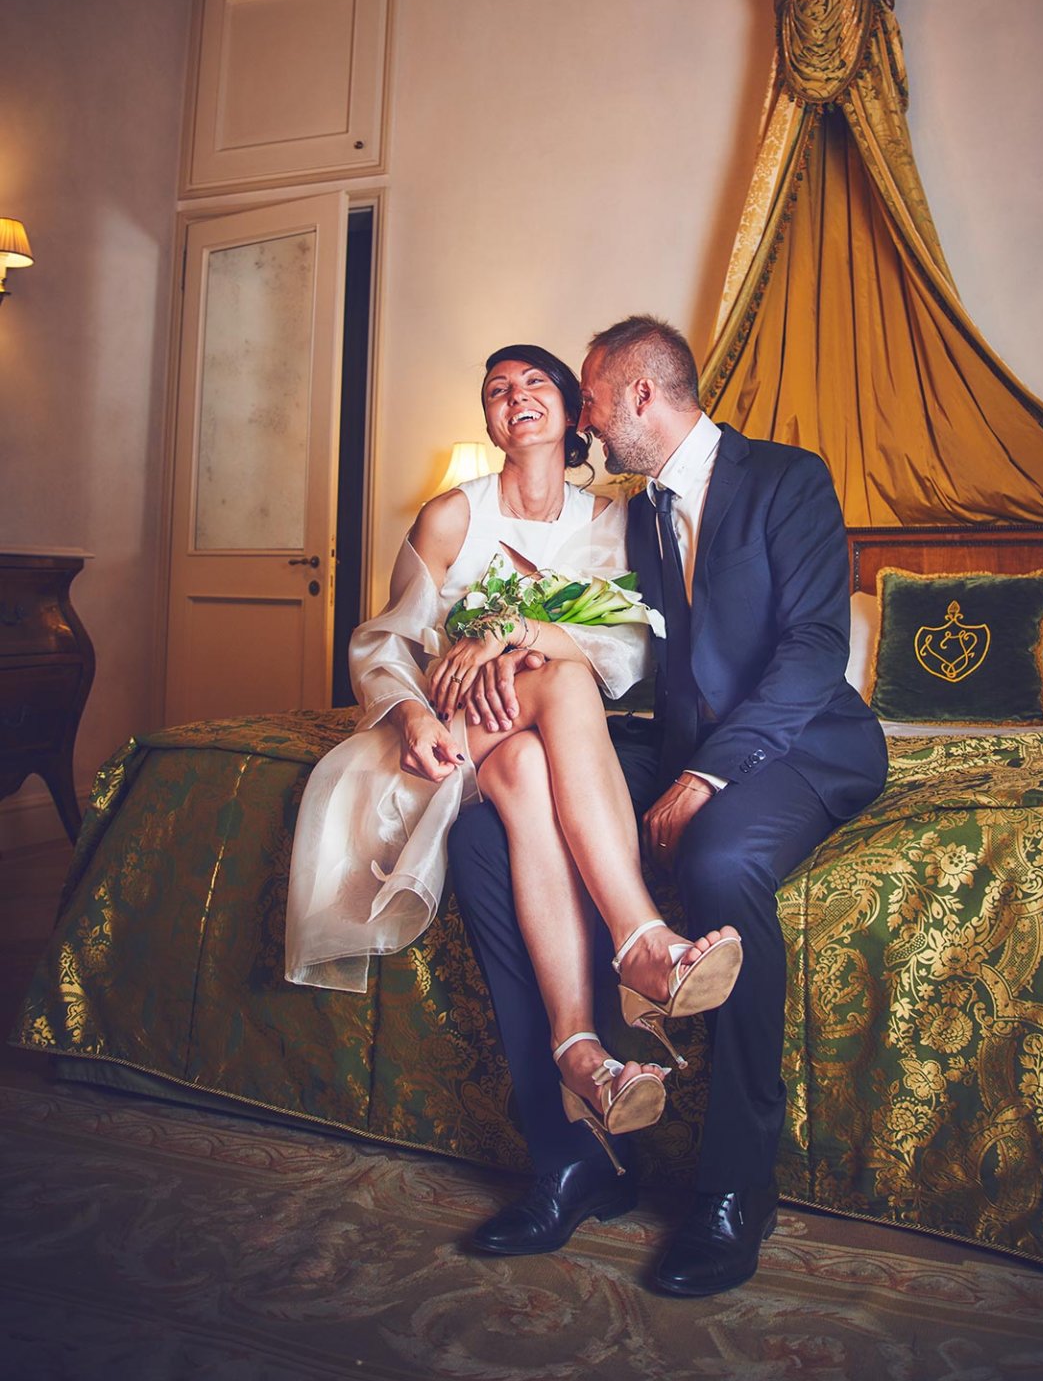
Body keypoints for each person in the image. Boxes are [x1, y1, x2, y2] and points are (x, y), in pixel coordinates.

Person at [450, 317, 888, 1295]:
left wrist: (708, 775)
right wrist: (499, 635)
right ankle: (576, 1152)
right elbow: (597, 619)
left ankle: (736, 1187)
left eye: (592, 402)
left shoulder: (788, 479)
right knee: (483, 831)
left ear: (641, 396)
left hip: (803, 741)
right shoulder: (635, 512)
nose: (585, 423)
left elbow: (816, 649)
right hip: (678, 738)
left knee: (717, 860)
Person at [286, 342, 742, 1170]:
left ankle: (580, 1052)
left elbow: (630, 648)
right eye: (497, 388)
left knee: (530, 763)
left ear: (574, 413)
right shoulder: (451, 515)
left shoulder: (613, 521)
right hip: (450, 724)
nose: (514, 394)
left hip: (520, 733)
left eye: (535, 382)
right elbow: (387, 641)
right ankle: (640, 940)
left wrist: (518, 639)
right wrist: (410, 714)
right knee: (561, 687)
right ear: (490, 420)